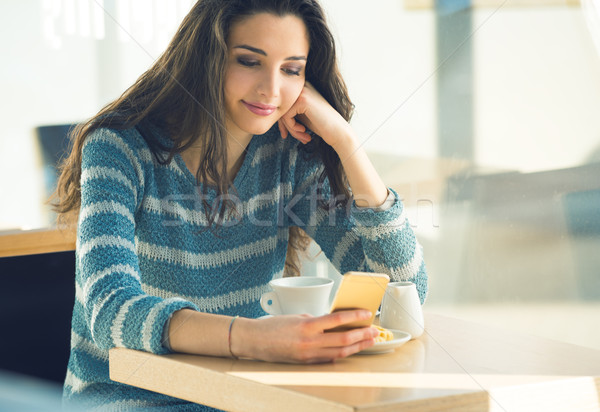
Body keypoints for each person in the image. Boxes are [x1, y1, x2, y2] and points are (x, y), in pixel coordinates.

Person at [54, 0, 428, 409]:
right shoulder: (120, 149)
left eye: (291, 69)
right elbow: (111, 310)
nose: (271, 90)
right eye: (249, 61)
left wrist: (345, 142)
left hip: (241, 398)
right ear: (206, 58)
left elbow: (403, 293)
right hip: (129, 400)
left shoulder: (286, 155)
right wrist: (255, 339)